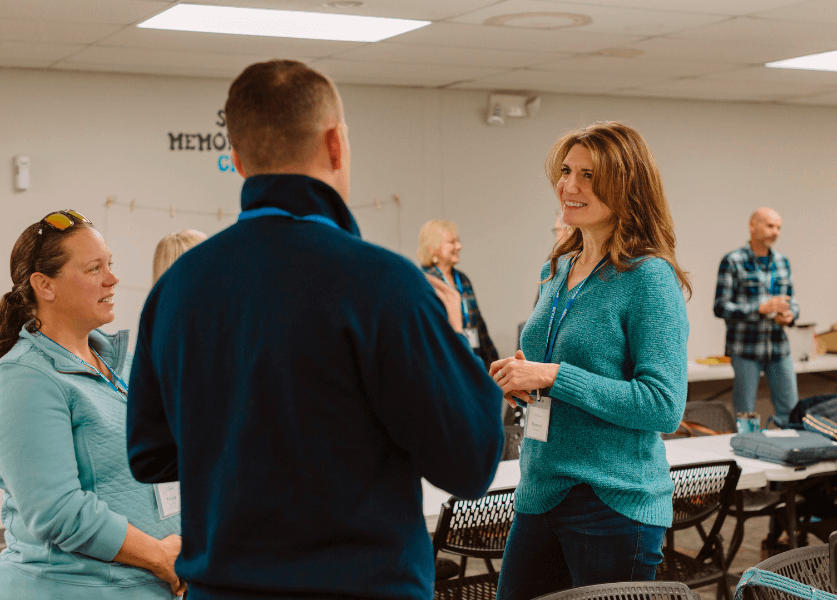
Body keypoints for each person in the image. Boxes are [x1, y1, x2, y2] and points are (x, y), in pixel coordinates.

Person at [125, 60, 504, 600]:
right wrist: (453, 338)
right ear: (336, 145)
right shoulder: (384, 285)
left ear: (235, 160)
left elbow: (151, 454)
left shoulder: (176, 289)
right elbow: (470, 462)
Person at [491, 122, 691, 599]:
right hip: (540, 489)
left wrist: (555, 376)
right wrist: (524, 375)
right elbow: (555, 367)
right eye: (565, 171)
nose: (569, 186)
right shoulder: (557, 267)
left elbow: (663, 406)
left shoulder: (648, 278)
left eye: (588, 175)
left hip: (613, 501)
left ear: (627, 186)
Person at [0, 210, 184, 599]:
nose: (112, 279)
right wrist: (160, 556)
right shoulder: (25, 377)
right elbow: (57, 511)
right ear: (44, 285)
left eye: (110, 265)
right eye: (94, 269)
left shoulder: (124, 364)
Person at [713, 207, 799, 426]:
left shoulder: (783, 261)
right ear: (753, 226)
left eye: (779, 227)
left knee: (790, 411)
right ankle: (746, 453)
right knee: (745, 414)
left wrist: (790, 316)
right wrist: (759, 309)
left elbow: (792, 301)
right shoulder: (733, 261)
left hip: (778, 347)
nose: (776, 232)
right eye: (770, 226)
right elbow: (720, 307)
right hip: (746, 349)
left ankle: (792, 455)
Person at [418, 220, 498, 370]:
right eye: (452, 242)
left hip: (473, 360)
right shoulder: (425, 282)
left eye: (458, 241)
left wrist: (493, 362)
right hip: (446, 366)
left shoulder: (463, 279)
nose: (459, 246)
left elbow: (479, 325)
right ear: (433, 247)